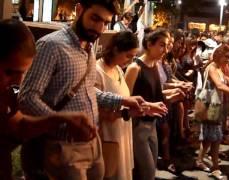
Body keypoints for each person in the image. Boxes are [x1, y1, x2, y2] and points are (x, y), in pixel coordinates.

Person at [18, 0, 146, 179]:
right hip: (61, 145)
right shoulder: (51, 46)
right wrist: (64, 120)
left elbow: (87, 91)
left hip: (93, 143)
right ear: (79, 10)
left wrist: (122, 100)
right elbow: (27, 98)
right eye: (95, 18)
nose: (100, 28)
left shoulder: (89, 47)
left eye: (105, 23)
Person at [0, 19, 95, 180]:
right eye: (10, 72)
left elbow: (20, 126)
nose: (18, 81)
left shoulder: (5, 94)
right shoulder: (52, 45)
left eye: (23, 73)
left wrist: (61, 118)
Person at [95, 31, 167, 180]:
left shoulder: (117, 70)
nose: (130, 61)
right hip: (108, 137)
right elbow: (96, 111)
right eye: (128, 56)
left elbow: (127, 99)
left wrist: (147, 106)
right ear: (115, 49)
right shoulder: (98, 72)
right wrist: (126, 113)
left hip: (122, 134)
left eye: (133, 56)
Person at [196, 44, 229, 179]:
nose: (228, 60)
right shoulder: (212, 67)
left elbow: (227, 80)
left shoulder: (218, 68)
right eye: (226, 57)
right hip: (210, 106)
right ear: (219, 54)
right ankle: (215, 168)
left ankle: (199, 160)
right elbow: (220, 85)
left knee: (210, 138)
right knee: (215, 139)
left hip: (215, 107)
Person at [125, 28, 170, 180]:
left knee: (149, 172)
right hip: (138, 125)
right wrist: (149, 107)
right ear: (149, 44)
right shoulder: (134, 68)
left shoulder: (155, 66)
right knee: (147, 172)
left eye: (167, 46)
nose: (165, 50)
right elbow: (125, 100)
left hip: (152, 125)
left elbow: (156, 96)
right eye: (162, 45)